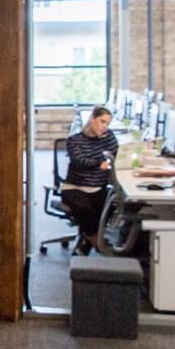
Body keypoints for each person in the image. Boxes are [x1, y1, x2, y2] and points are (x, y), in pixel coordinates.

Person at [61, 106, 119, 255]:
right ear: (92, 119)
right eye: (102, 121)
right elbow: (80, 161)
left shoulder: (108, 138)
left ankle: (87, 243)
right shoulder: (74, 140)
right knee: (86, 210)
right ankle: (98, 244)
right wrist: (99, 162)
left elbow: (115, 153)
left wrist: (108, 143)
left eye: (107, 124)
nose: (105, 126)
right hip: (75, 188)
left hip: (97, 188)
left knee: (112, 206)